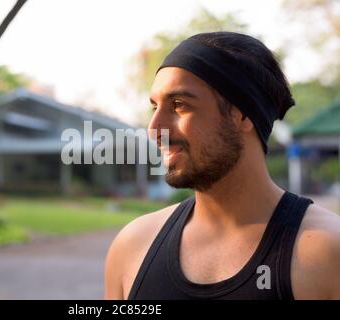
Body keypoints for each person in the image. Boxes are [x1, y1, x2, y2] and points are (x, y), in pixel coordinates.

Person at [104, 32, 340, 300]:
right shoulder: (133, 247)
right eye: (154, 107)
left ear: (242, 115)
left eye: (179, 105)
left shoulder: (327, 253)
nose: (154, 128)